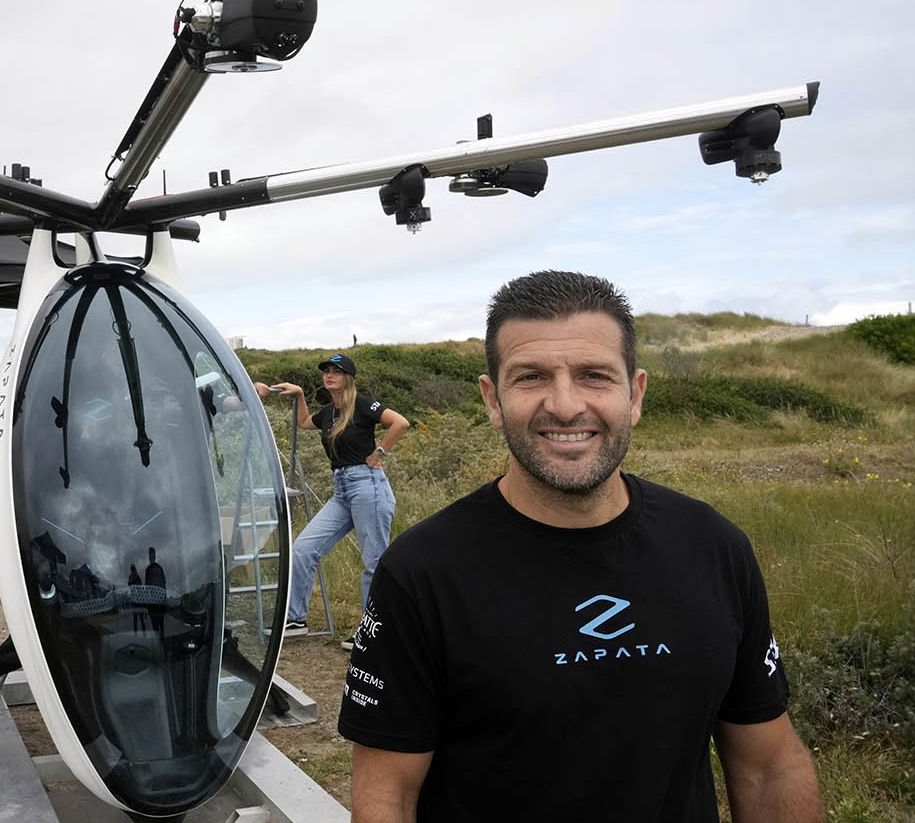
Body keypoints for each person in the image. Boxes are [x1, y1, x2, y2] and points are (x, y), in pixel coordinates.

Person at [337, 271, 821, 822]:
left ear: (634, 394)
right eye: (532, 377)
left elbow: (769, 767)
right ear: (493, 400)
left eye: (594, 376)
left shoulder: (714, 547)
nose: (565, 406)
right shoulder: (420, 574)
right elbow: (386, 797)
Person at [258, 352, 409, 648]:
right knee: (302, 549)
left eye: (336, 371)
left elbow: (400, 423)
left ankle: (373, 631)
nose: (329, 375)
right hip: (342, 490)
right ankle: (295, 619)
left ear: (347, 377)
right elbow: (303, 423)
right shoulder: (328, 412)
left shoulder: (363, 404)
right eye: (326, 371)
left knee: (374, 561)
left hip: (368, 487)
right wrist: (300, 393)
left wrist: (380, 453)